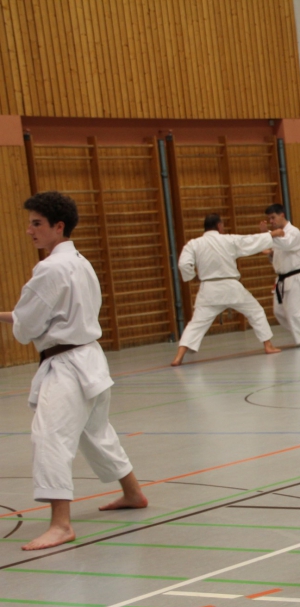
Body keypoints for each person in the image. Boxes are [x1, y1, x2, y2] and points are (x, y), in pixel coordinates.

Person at [0, 192, 148, 551]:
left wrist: (17, 322)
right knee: (95, 432)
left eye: (37, 223)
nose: (29, 230)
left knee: (49, 436)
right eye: (30, 223)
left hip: (68, 367)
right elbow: (41, 314)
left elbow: (26, 327)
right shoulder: (79, 262)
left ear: (58, 226)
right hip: (89, 359)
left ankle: (61, 524)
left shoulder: (50, 268)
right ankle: (133, 493)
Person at [170, 213, 284, 367]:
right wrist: (273, 234)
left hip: (209, 289)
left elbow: (183, 264)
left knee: (196, 323)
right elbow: (250, 241)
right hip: (231, 287)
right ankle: (268, 345)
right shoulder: (228, 240)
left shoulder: (193, 244)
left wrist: (193, 277)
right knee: (255, 312)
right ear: (219, 225)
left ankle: (178, 357)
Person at [264, 203, 300, 348]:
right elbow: (278, 256)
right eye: (269, 219)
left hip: (296, 278)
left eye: (273, 217)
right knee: (279, 312)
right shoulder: (277, 235)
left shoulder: (293, 232)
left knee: (293, 312)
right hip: (281, 279)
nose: (271, 221)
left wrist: (268, 235)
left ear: (282, 215)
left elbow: (285, 244)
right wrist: (271, 254)